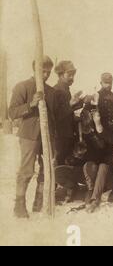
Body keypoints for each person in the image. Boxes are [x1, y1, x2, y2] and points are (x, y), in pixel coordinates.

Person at [8, 56, 57, 217]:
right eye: (42, 71)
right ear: (34, 69)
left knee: (47, 169)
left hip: (46, 137)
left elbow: (54, 116)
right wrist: (30, 105)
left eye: (48, 72)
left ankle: (39, 202)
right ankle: (19, 206)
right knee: (26, 170)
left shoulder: (51, 91)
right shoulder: (23, 87)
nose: (45, 75)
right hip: (29, 135)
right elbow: (12, 112)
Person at [53, 60, 83, 166]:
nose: (72, 78)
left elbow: (68, 113)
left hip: (67, 135)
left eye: (73, 75)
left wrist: (81, 103)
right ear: (61, 75)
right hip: (60, 136)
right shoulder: (56, 91)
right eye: (69, 75)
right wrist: (71, 105)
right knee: (59, 164)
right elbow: (56, 116)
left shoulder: (66, 90)